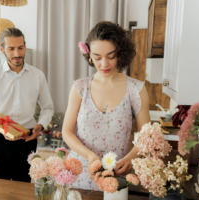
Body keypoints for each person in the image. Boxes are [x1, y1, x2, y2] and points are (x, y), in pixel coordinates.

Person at [62, 21, 150, 190]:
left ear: (121, 53)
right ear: (89, 55)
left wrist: (130, 157)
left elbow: (147, 136)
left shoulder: (136, 89)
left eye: (111, 56)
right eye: (97, 57)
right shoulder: (80, 87)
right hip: (80, 174)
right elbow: (66, 132)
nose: (104, 64)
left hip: (116, 176)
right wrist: (89, 156)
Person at [0, 27, 54, 182]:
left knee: (23, 188)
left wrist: (40, 126)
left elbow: (47, 107)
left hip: (27, 140)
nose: (17, 54)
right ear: (1, 49)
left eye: (20, 48)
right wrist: (2, 130)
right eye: (11, 49)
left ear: (25, 47)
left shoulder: (38, 75)